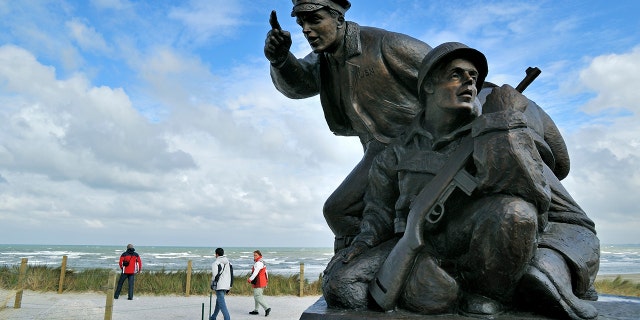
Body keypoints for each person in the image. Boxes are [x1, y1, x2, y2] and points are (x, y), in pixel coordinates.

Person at [322, 42, 599, 320]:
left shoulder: (492, 133)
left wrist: (503, 122)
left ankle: (484, 296)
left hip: (476, 243)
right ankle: (433, 284)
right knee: (341, 287)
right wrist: (363, 242)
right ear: (428, 85)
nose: (469, 81)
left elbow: (535, 199)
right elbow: (378, 213)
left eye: (474, 77)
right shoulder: (395, 151)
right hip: (416, 241)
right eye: (456, 74)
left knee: (514, 213)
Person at [264, 0, 432, 252]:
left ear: (339, 19)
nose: (306, 30)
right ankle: (370, 265)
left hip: (415, 145)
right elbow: (298, 85)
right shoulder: (323, 59)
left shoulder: (386, 45)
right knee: (341, 211)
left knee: (338, 210)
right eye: (301, 24)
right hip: (379, 152)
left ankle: (371, 264)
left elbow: (448, 72)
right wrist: (280, 60)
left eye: (315, 20)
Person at [210, 248, 232, 320]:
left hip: (219, 285)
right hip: (226, 285)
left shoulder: (215, 263)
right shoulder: (228, 263)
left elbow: (214, 275)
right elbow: (231, 275)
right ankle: (213, 317)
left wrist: (212, 283)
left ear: (216, 254)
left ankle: (227, 318)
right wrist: (230, 286)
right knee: (219, 302)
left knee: (222, 305)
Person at [247, 250, 270, 316]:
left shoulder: (258, 263)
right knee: (257, 295)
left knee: (257, 296)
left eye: (256, 255)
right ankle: (256, 310)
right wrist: (266, 280)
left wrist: (250, 279)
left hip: (259, 282)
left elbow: (255, 272)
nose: (254, 256)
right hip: (262, 281)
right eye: (254, 255)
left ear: (259, 255)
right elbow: (266, 272)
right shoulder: (261, 262)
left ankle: (267, 308)